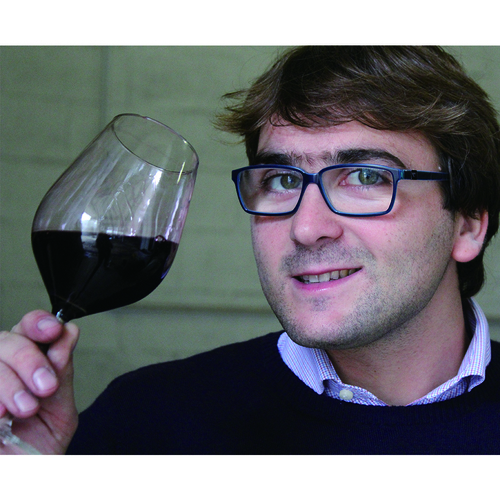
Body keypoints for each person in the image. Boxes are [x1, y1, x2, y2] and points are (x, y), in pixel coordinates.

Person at [1, 45, 500, 454]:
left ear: (468, 224)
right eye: (282, 179)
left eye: (366, 177)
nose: (307, 227)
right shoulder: (142, 424)